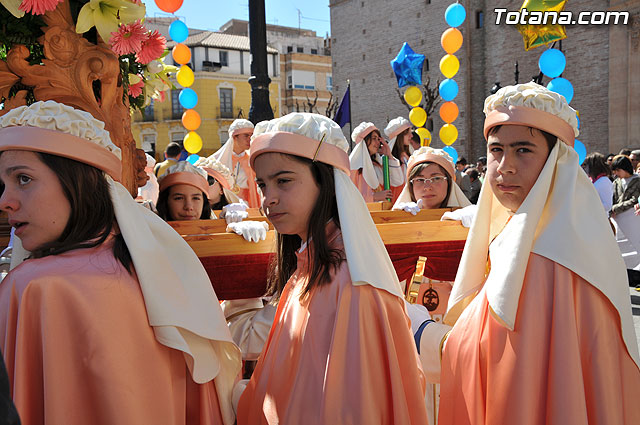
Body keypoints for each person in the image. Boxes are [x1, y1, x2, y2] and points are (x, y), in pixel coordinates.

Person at [0, 101, 242, 424]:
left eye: (24, 179)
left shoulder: (33, 286)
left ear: (76, 179)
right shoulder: (155, 267)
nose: (5, 201)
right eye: (4, 184)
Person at [414, 82, 640, 424]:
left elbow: (498, 365)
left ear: (555, 161)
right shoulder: (574, 233)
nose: (504, 166)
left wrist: (421, 333)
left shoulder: (541, 256)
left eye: (523, 150)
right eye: (496, 150)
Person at [235, 112, 428, 424]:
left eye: (283, 181)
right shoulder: (309, 265)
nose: (268, 199)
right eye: (262, 184)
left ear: (325, 182)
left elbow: (356, 406)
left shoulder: (350, 283)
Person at [156, 161, 267, 241]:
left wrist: (237, 236)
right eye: (179, 198)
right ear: (166, 201)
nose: (188, 206)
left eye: (196, 198)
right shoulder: (152, 235)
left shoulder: (220, 230)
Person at [392, 146, 471, 214]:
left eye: (436, 178)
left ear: (449, 183)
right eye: (420, 180)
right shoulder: (396, 223)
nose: (427, 187)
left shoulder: (467, 219)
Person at [211, 119, 261, 208]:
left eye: (251, 135)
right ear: (235, 137)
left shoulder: (253, 160)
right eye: (246, 135)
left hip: (248, 206)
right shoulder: (218, 160)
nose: (249, 139)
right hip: (225, 206)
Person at [349, 121, 404, 203]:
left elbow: (397, 181)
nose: (378, 142)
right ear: (364, 141)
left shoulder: (379, 164)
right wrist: (373, 197)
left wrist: (389, 155)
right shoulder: (354, 167)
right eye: (374, 138)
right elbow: (350, 197)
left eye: (379, 139)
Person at [610, 155, 640, 266]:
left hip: (633, 221)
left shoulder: (637, 181)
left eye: (618, 170)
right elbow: (613, 198)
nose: (616, 173)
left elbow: (635, 200)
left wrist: (616, 208)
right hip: (618, 220)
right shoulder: (616, 182)